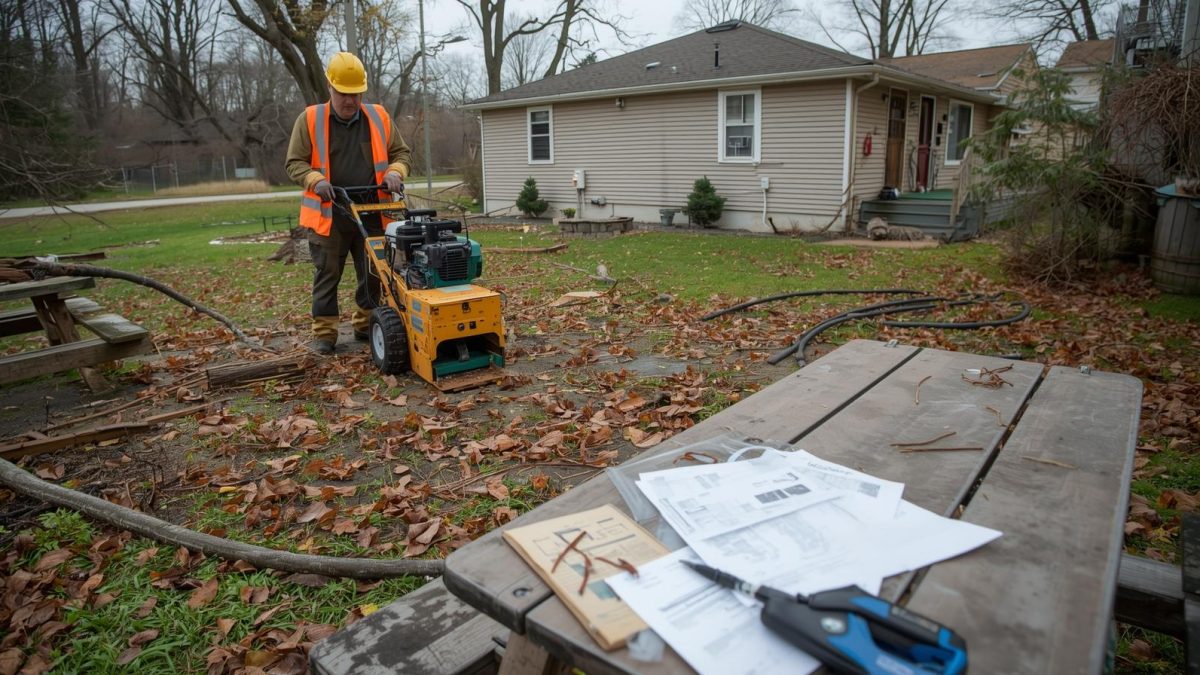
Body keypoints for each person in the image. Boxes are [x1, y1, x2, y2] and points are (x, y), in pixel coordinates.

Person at [285, 52, 412, 355]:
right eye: (344, 93)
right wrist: (316, 180)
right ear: (330, 87)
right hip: (330, 213)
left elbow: (402, 154)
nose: (350, 101)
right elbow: (293, 163)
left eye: (356, 94)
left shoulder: (379, 117)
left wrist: (396, 172)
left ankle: (365, 324)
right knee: (327, 273)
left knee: (372, 271)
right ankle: (325, 334)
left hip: (372, 212)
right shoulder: (311, 119)